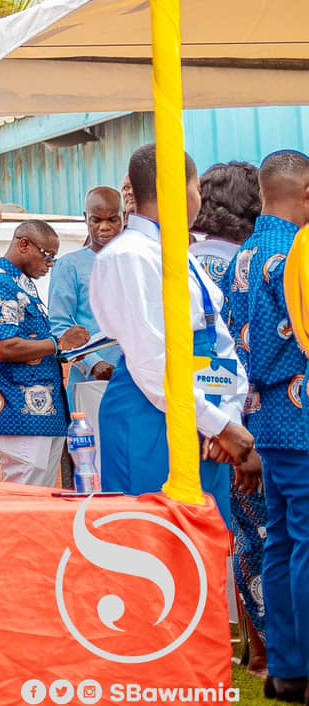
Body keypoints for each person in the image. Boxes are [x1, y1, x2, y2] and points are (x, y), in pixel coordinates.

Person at [91, 143, 253, 523]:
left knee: (202, 537)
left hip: (201, 419)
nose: (200, 199)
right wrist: (219, 424)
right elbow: (151, 363)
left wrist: (227, 415)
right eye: (196, 188)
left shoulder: (178, 254)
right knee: (154, 535)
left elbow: (221, 344)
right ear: (179, 191)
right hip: (151, 418)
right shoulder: (130, 255)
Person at [228, 150, 309, 703]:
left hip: (264, 413)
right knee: (303, 542)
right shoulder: (295, 253)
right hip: (300, 409)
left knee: (281, 541)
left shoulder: (247, 252)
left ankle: (285, 668)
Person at [0, 220, 86, 486]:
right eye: (47, 256)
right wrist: (59, 344)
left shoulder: (22, 285)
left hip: (44, 415)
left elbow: (34, 344)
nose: (50, 264)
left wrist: (65, 352)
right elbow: (5, 347)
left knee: (42, 499)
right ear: (24, 245)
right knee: (23, 497)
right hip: (19, 413)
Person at [48, 186, 127, 428]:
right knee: (90, 449)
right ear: (85, 218)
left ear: (124, 217)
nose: (104, 227)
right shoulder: (69, 266)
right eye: (96, 220)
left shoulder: (136, 262)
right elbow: (59, 325)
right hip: (91, 382)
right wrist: (94, 364)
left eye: (112, 219)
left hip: (136, 380)